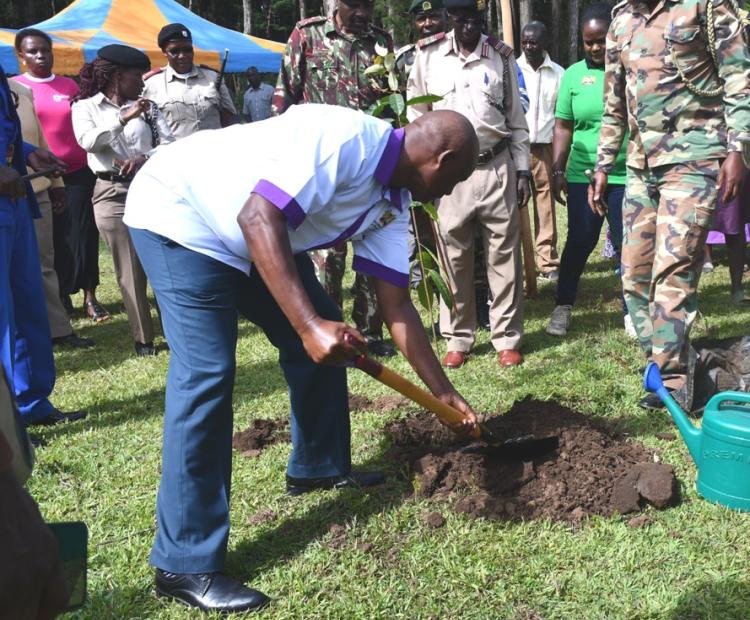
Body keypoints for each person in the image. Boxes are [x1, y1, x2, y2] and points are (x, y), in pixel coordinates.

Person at [123, 104, 479, 613]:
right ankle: (184, 563)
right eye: (452, 183)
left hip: (252, 236)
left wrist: (443, 393)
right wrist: (307, 326)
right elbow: (256, 215)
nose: (446, 195)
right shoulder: (343, 139)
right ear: (441, 160)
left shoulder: (393, 204)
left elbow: (396, 305)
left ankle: (317, 465)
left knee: (333, 331)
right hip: (182, 216)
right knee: (206, 372)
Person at [591, 0, 750, 410]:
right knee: (634, 273)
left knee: (674, 267)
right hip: (641, 165)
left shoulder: (706, 7)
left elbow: (739, 78)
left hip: (694, 159)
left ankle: (673, 378)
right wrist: (603, 164)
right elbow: (614, 100)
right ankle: (661, 364)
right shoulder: (622, 19)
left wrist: (738, 150)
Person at [407, 0, 531, 369]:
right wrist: (420, 173)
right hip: (448, 176)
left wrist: (522, 170)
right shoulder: (427, 57)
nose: (467, 27)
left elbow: (517, 121)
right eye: (461, 19)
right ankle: (458, 337)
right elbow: (417, 118)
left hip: (495, 166)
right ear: (450, 19)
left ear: (483, 20)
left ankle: (507, 337)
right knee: (453, 257)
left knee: (504, 259)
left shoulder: (501, 57)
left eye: (475, 20)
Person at [273, 0, 397, 358]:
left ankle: (369, 333)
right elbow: (285, 99)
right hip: (321, 167)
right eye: (353, 4)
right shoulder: (307, 35)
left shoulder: (381, 42)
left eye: (368, 5)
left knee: (372, 252)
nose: (362, 12)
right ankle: (329, 329)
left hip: (371, 168)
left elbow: (392, 99)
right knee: (326, 257)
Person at [72, 44, 173, 357]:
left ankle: (176, 332)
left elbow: (169, 143)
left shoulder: (150, 106)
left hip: (150, 187)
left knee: (164, 265)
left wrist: (145, 157)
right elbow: (88, 142)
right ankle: (144, 340)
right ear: (117, 76)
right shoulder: (85, 107)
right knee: (129, 270)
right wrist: (123, 118)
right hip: (110, 193)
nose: (142, 82)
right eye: (136, 75)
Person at [0, 66, 87, 427]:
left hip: (15, 198)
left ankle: (31, 403)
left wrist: (30, 152)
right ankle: (7, 425)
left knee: (25, 305)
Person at [546, 3, 633, 338]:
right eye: (589, 42)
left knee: (630, 244)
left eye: (601, 40)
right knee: (581, 240)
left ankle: (632, 310)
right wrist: (557, 168)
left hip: (626, 174)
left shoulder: (628, 68)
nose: (596, 48)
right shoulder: (572, 76)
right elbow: (563, 126)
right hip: (584, 175)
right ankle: (563, 305)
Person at [13, 28, 109, 324]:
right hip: (40, 177)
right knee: (54, 241)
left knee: (84, 235)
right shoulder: (15, 89)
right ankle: (60, 297)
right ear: (21, 56)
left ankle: (90, 296)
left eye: (45, 49)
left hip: (79, 173)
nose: (41, 55)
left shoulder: (69, 86)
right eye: (33, 51)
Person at [9, 80, 94, 350]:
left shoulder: (17, 91)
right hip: (6, 194)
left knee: (44, 263)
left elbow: (38, 139)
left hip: (35, 190)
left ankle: (58, 329)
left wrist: (56, 185)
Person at [517, 21, 564, 281]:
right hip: (517, 147)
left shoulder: (559, 74)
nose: (528, 46)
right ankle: (521, 262)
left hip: (544, 146)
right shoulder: (511, 69)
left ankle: (547, 261)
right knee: (517, 204)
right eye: (524, 41)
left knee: (545, 205)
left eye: (533, 41)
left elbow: (562, 118)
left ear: (544, 43)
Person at [142, 23, 238, 141]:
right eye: (175, 51)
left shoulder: (213, 77)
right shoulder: (151, 84)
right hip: (175, 156)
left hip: (214, 153)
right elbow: (145, 129)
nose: (182, 56)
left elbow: (230, 119)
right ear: (164, 52)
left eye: (187, 50)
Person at [705, 175, 750, 303]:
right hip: (695, 165)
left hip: (729, 162)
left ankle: (737, 288)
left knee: (734, 220)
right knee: (697, 221)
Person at [395, 0, 447, 89]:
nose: (428, 24)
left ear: (446, 17)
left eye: (434, 17)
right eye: (421, 19)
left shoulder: (459, 50)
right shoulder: (404, 57)